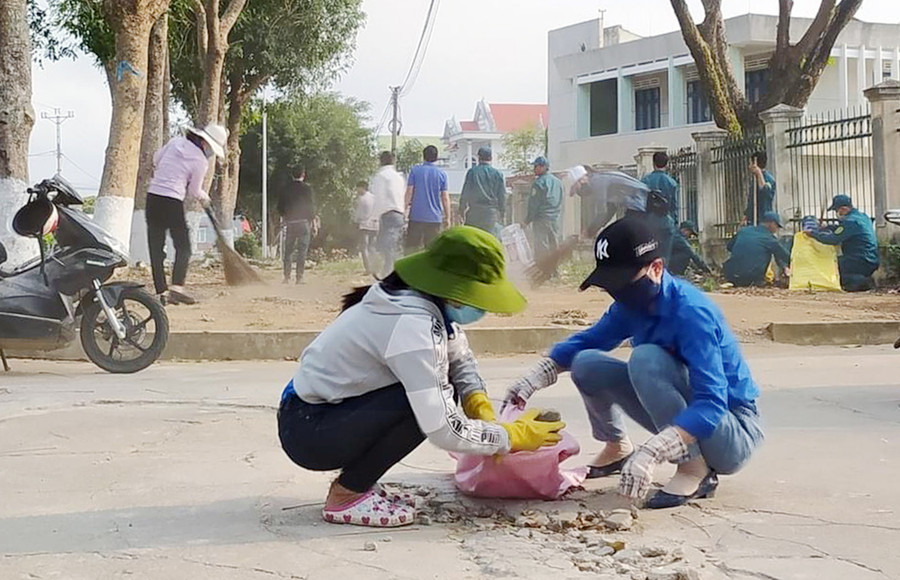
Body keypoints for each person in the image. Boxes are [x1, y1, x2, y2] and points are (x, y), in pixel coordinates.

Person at [277, 227, 564, 527]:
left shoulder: (417, 300)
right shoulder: (412, 325)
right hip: (310, 431)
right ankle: (346, 495)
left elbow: (459, 358)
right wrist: (509, 437)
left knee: (439, 390)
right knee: (426, 404)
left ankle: (359, 482)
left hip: (318, 414)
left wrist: (480, 405)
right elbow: (443, 428)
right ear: (456, 292)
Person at [502, 216, 763, 509]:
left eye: (625, 282)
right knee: (586, 363)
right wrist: (538, 375)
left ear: (656, 268)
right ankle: (616, 447)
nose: (619, 292)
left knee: (645, 358)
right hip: (691, 419)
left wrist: (654, 451)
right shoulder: (632, 306)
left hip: (732, 430)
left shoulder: (691, 313)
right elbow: (588, 341)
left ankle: (694, 469)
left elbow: (712, 402)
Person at [146, 123, 227, 305]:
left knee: (156, 248)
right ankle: (176, 288)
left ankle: (161, 292)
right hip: (172, 201)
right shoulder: (201, 161)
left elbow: (156, 159)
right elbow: (194, 190)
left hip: (153, 198)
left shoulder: (175, 142)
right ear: (206, 144)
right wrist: (205, 199)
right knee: (184, 247)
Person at [807, 194, 879, 291]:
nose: (837, 213)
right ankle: (860, 280)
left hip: (860, 259)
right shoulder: (862, 217)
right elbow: (840, 229)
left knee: (830, 266)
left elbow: (833, 239)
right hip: (869, 258)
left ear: (844, 209)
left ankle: (862, 282)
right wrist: (827, 227)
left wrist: (813, 233)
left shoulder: (850, 221)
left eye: (837, 210)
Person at [723, 211, 791, 287]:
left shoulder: (743, 231)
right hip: (752, 278)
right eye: (777, 226)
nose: (777, 229)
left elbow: (729, 247)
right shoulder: (770, 239)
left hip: (731, 275)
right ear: (771, 223)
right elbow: (786, 256)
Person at [405, 145, 450, 250]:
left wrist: (404, 209)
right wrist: (447, 217)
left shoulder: (415, 171)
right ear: (436, 157)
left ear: (423, 156)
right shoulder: (442, 174)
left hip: (416, 217)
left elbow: (409, 193)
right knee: (432, 251)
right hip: (434, 219)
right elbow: (445, 197)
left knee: (411, 250)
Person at [278, 167, 317, 284]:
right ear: (303, 175)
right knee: (302, 250)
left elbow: (280, 206)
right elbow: (311, 207)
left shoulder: (285, 189)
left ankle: (287, 277)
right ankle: (299, 277)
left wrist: (284, 218)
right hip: (304, 223)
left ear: (292, 175)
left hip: (290, 223)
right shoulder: (307, 189)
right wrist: (314, 223)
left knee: (288, 251)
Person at [370, 151, 407, 277]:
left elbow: (379, 198)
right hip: (399, 213)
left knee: (386, 245)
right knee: (393, 244)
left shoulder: (381, 176)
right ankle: (390, 272)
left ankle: (389, 273)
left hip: (387, 214)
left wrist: (374, 217)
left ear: (380, 161)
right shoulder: (399, 177)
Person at [459, 146, 507, 237]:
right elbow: (502, 196)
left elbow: (465, 193)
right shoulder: (498, 174)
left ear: (478, 157)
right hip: (490, 214)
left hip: (474, 212)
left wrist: (461, 210)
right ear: (491, 158)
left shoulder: (472, 172)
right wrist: (502, 212)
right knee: (489, 239)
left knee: (472, 239)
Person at [525, 156, 563, 261]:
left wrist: (527, 220)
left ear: (543, 167)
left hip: (541, 219)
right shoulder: (558, 182)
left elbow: (534, 204)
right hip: (554, 218)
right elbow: (560, 200)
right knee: (554, 244)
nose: (534, 169)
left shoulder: (538, 183)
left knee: (541, 245)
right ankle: (554, 269)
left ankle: (543, 269)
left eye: (535, 166)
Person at [641, 152, 679, 221]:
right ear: (667, 164)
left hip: (648, 221)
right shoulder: (672, 183)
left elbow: (641, 202)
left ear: (653, 164)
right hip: (666, 220)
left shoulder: (644, 181)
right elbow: (673, 207)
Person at [353, 180, 379, 275]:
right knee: (372, 247)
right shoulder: (374, 198)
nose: (357, 190)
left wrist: (355, 221)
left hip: (364, 225)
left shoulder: (361, 199)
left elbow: (358, 214)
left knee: (364, 247)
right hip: (375, 225)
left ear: (362, 188)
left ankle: (368, 268)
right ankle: (375, 267)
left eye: (357, 188)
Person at [743, 151, 776, 226]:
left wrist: (759, 173)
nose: (749, 166)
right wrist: (746, 215)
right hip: (752, 219)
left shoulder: (769, 179)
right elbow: (751, 200)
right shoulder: (754, 179)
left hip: (763, 219)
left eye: (750, 163)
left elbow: (765, 191)